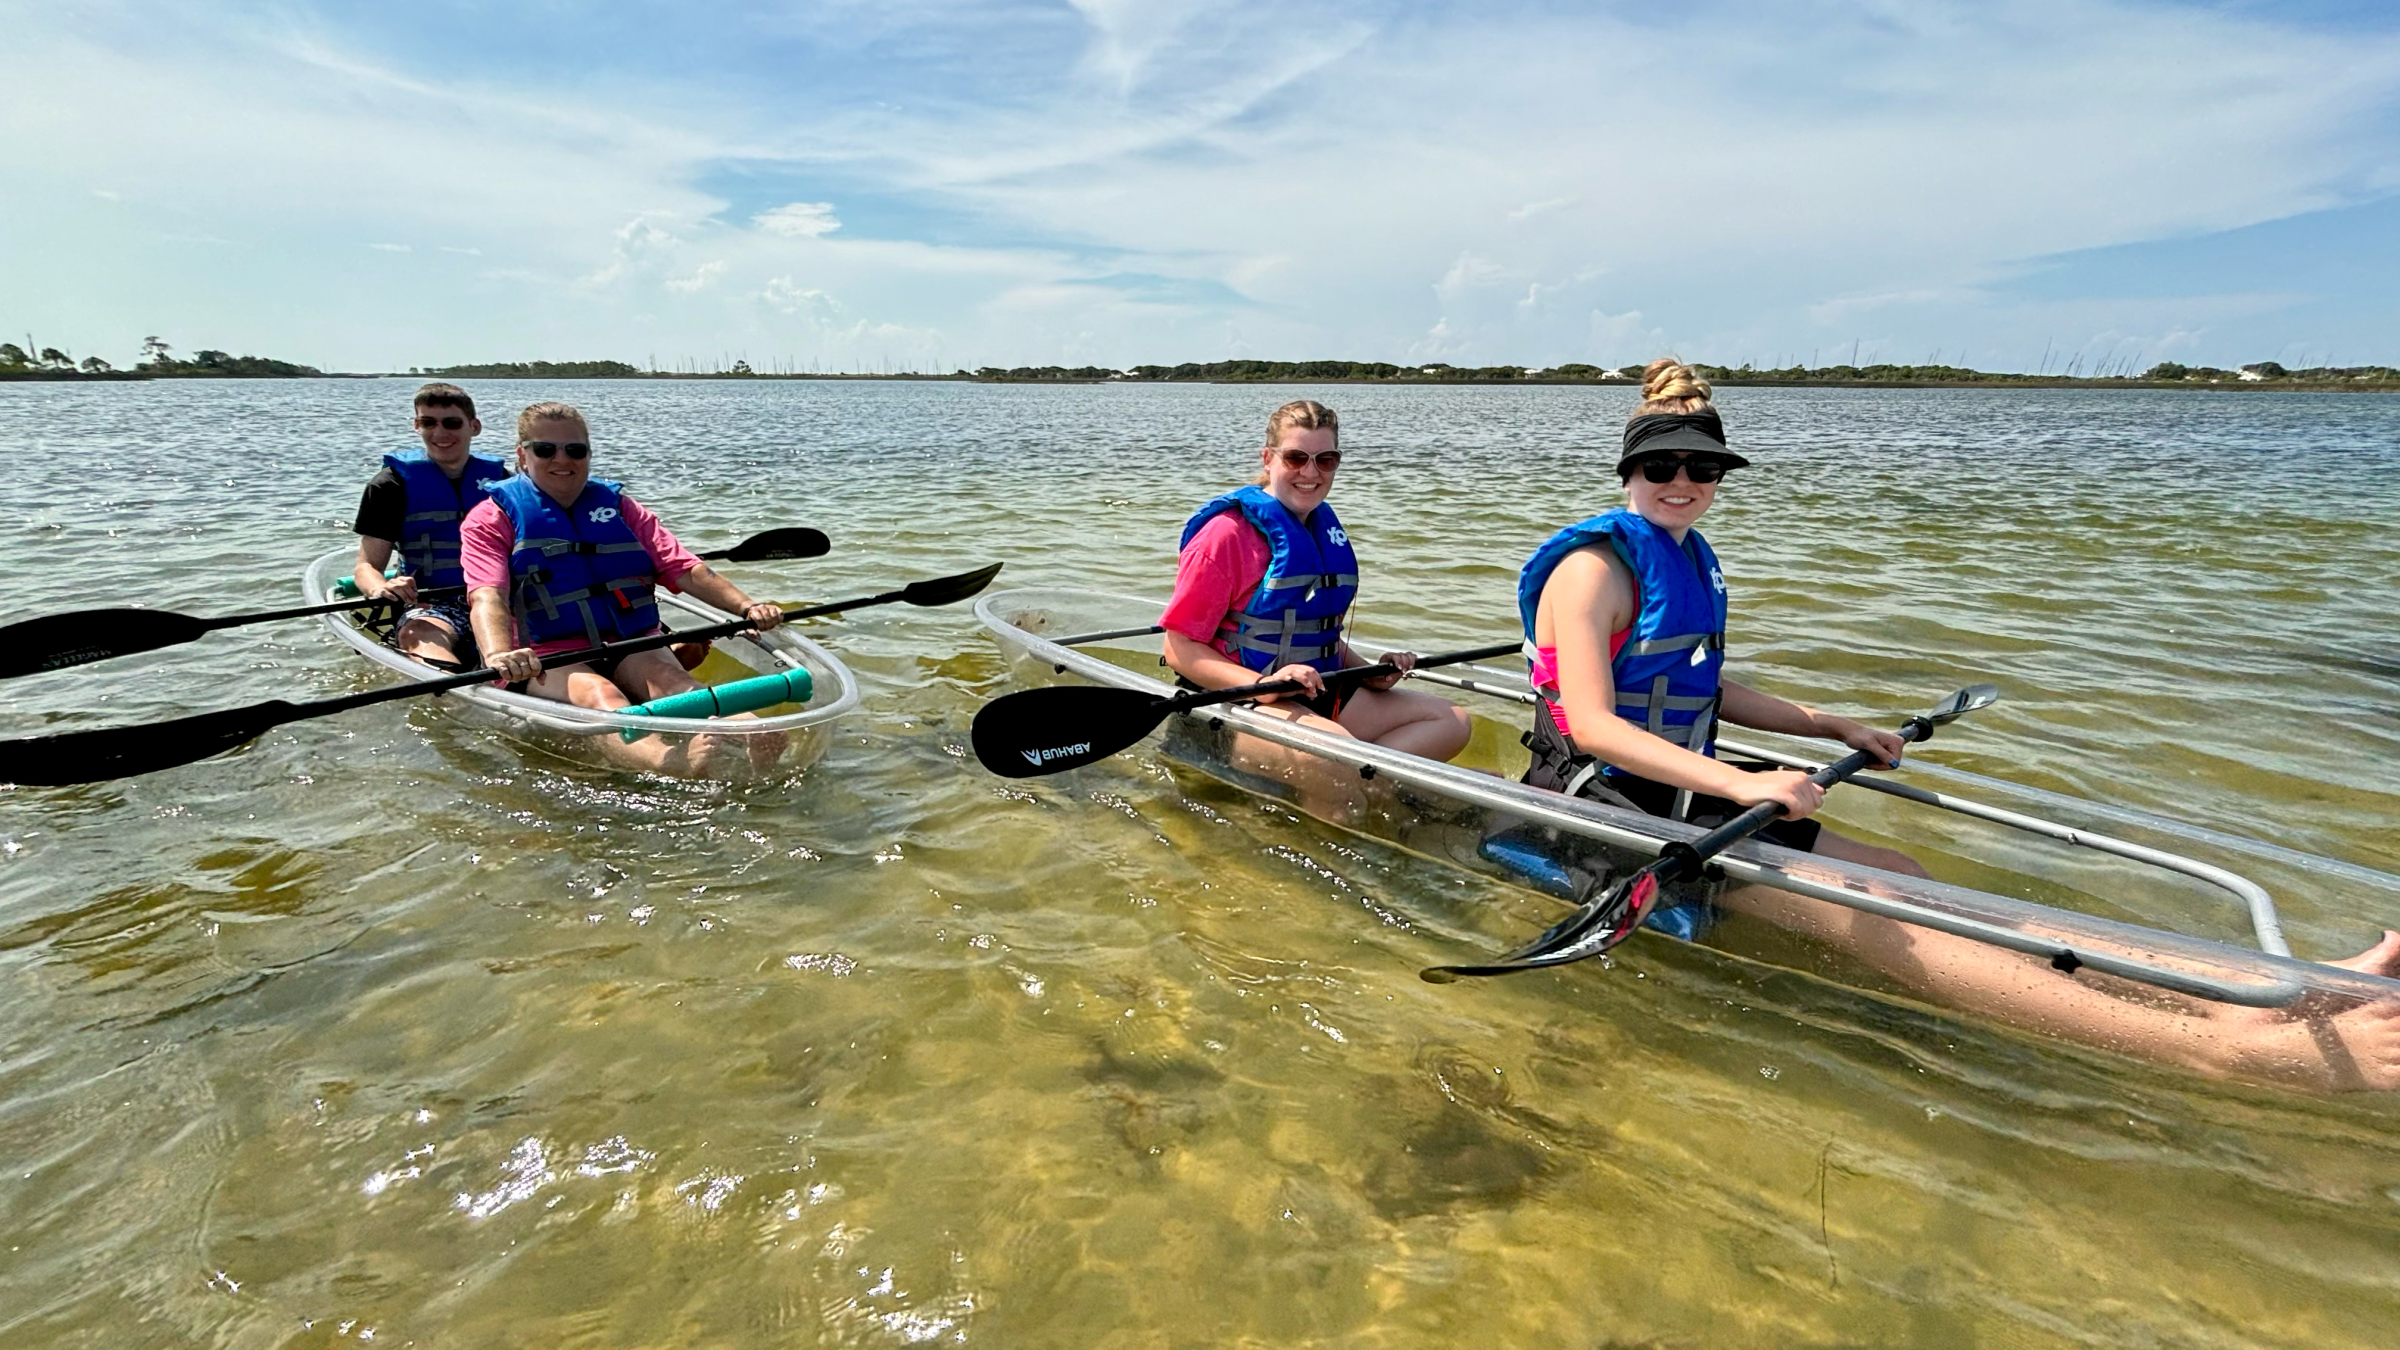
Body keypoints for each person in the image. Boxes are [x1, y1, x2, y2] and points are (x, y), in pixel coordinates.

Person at [1519, 358, 2400, 1091]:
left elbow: (1701, 687)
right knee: (1877, 907)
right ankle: (2224, 1053)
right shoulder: (1592, 571)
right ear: (1628, 474)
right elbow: (1593, 723)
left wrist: (1833, 724)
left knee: (1903, 871)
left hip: (1682, 796)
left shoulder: (1686, 559)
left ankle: (2251, 989)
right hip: (1602, 805)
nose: (1682, 484)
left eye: (1701, 471)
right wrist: (1747, 782)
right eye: (1662, 468)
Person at [460, 401, 786, 774]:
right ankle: (669, 761)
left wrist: (747, 608)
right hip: (550, 653)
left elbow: (683, 568)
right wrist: (500, 653)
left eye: (575, 449)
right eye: (545, 449)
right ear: (522, 455)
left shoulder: (622, 509)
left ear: (589, 453)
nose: (561, 459)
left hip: (631, 639)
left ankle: (753, 730)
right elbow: (488, 595)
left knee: (675, 683)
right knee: (602, 698)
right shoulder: (490, 518)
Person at [1162, 400, 1471, 761]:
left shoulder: (1319, 528)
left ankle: (1370, 787)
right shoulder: (1225, 535)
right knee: (1335, 753)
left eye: (1325, 460)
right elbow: (1178, 648)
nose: (1311, 472)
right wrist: (1261, 686)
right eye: (1295, 457)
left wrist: (1369, 672)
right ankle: (1349, 787)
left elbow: (1310, 631)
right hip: (1239, 697)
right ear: (1268, 459)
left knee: (1451, 722)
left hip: (1316, 689)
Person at [350, 382, 512, 668]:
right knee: (418, 632)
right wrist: (381, 589)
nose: (439, 433)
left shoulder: (501, 481)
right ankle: (454, 688)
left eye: (451, 423)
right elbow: (366, 568)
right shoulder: (389, 486)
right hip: (430, 602)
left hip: (496, 595)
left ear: (474, 427)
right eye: (428, 423)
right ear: (417, 425)